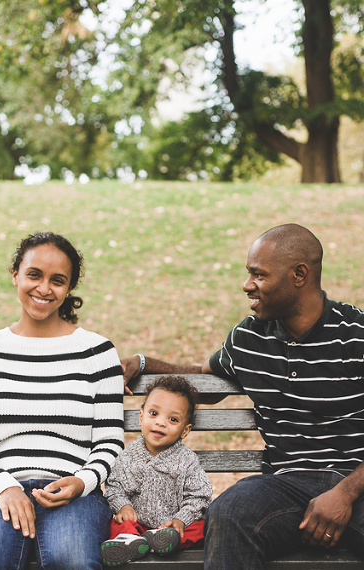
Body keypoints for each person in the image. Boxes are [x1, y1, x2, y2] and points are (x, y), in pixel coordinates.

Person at [123, 223, 364, 569]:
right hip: (285, 487)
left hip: (357, 485)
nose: (247, 284)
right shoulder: (249, 338)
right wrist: (144, 363)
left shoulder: (355, 335)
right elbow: (203, 380)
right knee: (230, 512)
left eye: (259, 275)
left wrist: (345, 493)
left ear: (299, 275)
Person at [0, 231, 125, 570]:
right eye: (34, 275)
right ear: (15, 275)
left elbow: (109, 440)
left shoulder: (97, 352)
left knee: (70, 558)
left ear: (69, 287)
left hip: (73, 490)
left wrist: (82, 482)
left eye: (57, 281)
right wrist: (4, 486)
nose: (44, 289)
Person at [101, 375, 211, 566]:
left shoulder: (186, 460)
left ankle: (166, 541)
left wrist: (181, 520)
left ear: (185, 430)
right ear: (141, 417)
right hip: (137, 525)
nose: (160, 422)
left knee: (203, 526)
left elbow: (199, 497)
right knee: (117, 522)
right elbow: (115, 487)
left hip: (172, 526)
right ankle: (129, 541)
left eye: (173, 419)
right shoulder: (129, 456)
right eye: (154, 413)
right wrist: (123, 506)